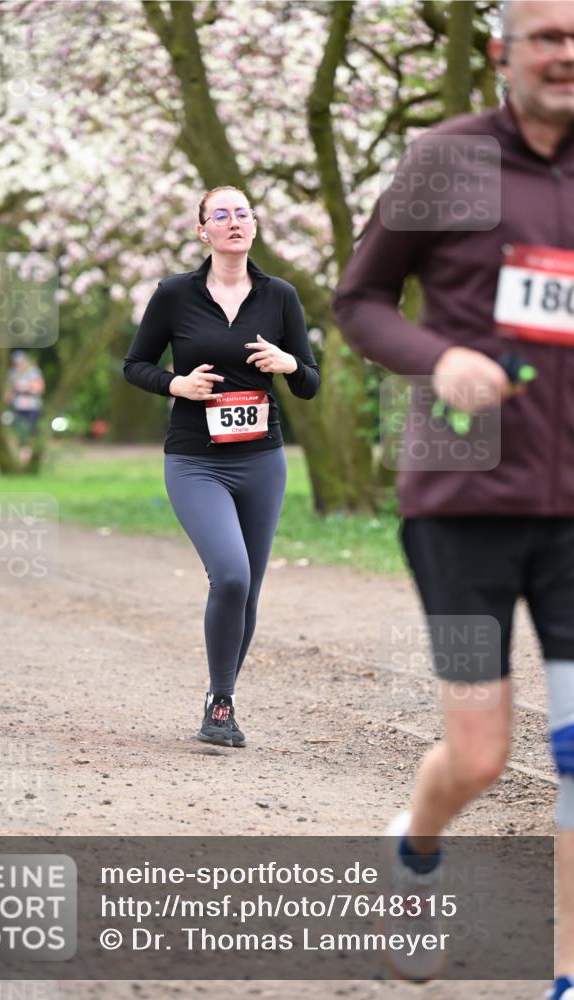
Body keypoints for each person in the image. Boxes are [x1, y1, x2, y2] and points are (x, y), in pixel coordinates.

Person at [333, 0, 573, 992]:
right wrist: (438, 360)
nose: (568, 56)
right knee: (477, 755)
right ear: (501, 52)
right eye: (550, 37)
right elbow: (359, 302)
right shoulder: (447, 162)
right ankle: (417, 851)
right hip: (460, 503)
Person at [123, 186, 319, 748]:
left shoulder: (280, 296)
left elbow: (309, 382)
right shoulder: (174, 295)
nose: (234, 222)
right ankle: (222, 694)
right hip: (195, 461)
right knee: (229, 574)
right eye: (221, 215)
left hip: (261, 459)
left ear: (254, 227)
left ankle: (220, 699)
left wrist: (288, 364)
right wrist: (176, 384)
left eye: (243, 213)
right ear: (202, 230)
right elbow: (135, 365)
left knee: (249, 588)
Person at [4, 350, 45, 458]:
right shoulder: (12, 373)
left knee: (31, 429)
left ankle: (29, 452)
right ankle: (22, 451)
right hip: (18, 406)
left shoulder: (34, 372)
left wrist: (26, 387)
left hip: (32, 406)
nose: (19, 364)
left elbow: (39, 388)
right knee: (18, 429)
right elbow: (8, 392)